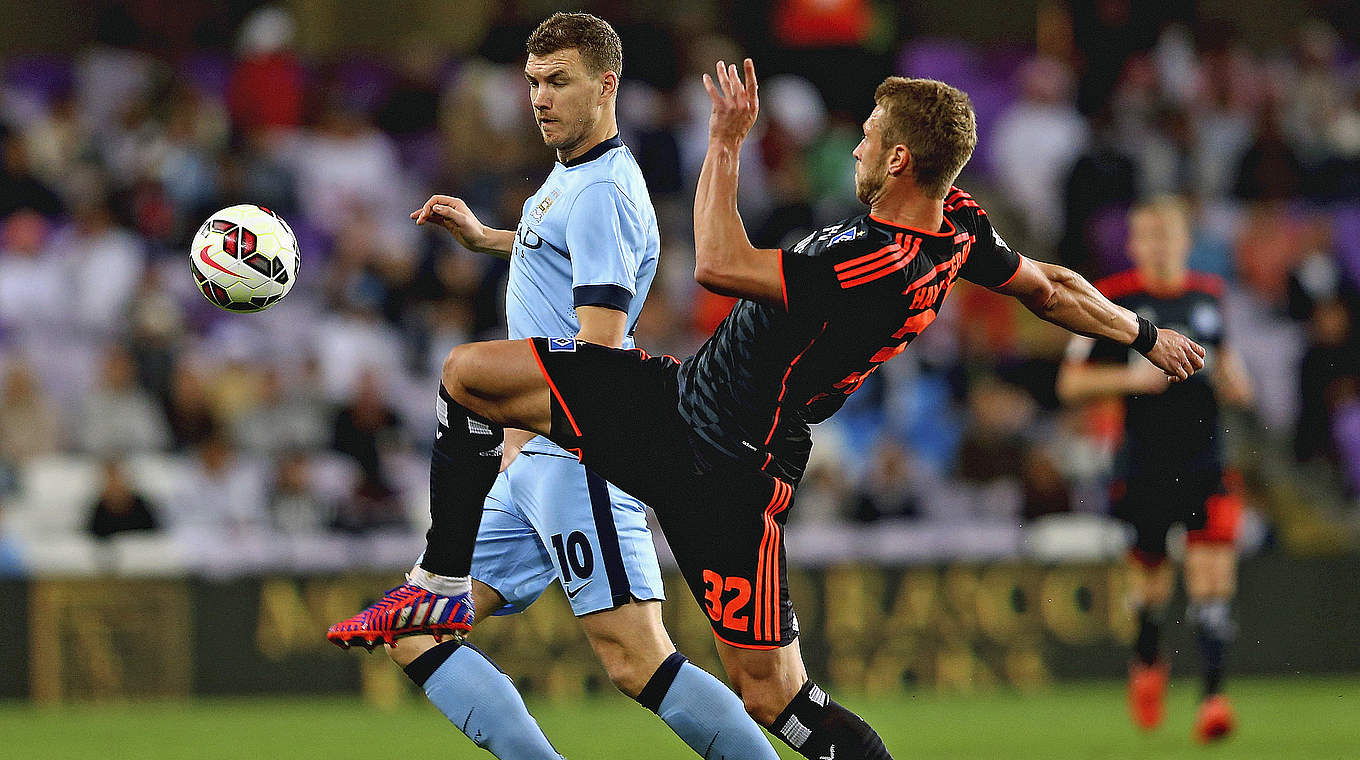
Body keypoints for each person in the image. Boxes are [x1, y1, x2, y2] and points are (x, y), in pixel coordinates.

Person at [335, 58, 1207, 760]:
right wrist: (1144, 331)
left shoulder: (879, 260)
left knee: (773, 697)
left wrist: (725, 142)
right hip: (674, 404)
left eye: (868, 138)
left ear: (900, 159)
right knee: (470, 374)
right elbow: (1049, 286)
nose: (856, 149)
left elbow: (717, 263)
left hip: (728, 467)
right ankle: (443, 584)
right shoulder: (961, 229)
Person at [328, 13, 777, 760]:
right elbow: (562, 244)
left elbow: (597, 349)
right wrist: (489, 239)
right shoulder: (571, 179)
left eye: (558, 81)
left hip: (579, 459)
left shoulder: (602, 189)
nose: (540, 98)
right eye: (533, 82)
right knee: (415, 630)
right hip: (527, 465)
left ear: (606, 85)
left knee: (638, 661)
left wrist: (514, 398)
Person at [1056, 196, 1252, 743]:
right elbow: (1070, 384)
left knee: (1212, 581)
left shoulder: (1208, 295)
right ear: (1136, 244)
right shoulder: (1115, 301)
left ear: (1185, 243)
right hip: (1143, 464)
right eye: (1149, 237)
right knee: (1151, 587)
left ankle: (1213, 700)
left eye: (1169, 236)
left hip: (1205, 458)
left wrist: (1238, 382)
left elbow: (1229, 362)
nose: (1159, 246)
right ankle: (1147, 661)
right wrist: (1129, 381)